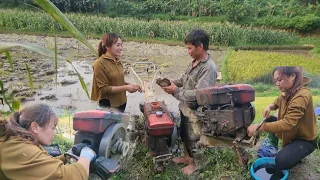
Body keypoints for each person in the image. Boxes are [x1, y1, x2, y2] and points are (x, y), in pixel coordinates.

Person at [161, 29, 218, 175]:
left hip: (197, 111)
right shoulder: (194, 62)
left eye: (189, 48)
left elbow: (200, 95)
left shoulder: (209, 68)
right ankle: (187, 158)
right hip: (185, 107)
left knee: (195, 138)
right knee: (185, 134)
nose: (188, 51)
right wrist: (170, 83)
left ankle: (196, 165)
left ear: (200, 46)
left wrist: (175, 91)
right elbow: (183, 80)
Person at [0, 103, 96, 180]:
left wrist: (66, 156)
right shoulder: (21, 150)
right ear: (35, 127)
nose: (54, 132)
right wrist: (86, 157)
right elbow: (70, 176)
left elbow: (43, 164)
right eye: (52, 128)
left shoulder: (20, 139)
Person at [247, 66, 318, 171]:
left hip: (304, 139)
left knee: (281, 162)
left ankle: (298, 152)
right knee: (269, 119)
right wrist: (269, 107)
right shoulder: (288, 90)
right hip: (293, 132)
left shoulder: (302, 96)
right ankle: (272, 146)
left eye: (279, 80)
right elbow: (278, 101)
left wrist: (259, 127)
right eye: (276, 81)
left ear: (292, 76)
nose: (277, 84)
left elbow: (287, 124)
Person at [91, 33, 141, 112]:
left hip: (122, 102)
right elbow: (104, 89)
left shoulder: (117, 61)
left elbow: (118, 82)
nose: (121, 48)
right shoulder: (99, 63)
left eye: (121, 45)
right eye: (118, 45)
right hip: (109, 104)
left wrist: (130, 85)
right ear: (107, 46)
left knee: (120, 124)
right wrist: (126, 88)